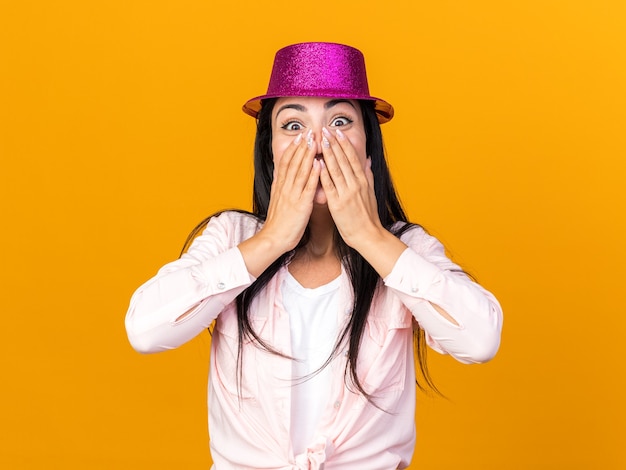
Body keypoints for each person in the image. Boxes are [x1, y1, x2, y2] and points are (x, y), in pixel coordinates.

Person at [125, 42, 503, 469]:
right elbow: (145, 330)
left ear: (368, 148)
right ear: (270, 150)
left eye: (340, 121)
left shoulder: (402, 248)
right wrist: (271, 240)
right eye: (292, 125)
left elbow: (480, 339)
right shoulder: (233, 236)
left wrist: (369, 237)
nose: (318, 144)